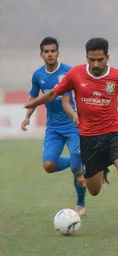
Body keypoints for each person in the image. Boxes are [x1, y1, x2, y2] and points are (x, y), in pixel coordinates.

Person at [24, 37, 118, 235]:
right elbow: (54, 93)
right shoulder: (75, 74)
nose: (96, 64)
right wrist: (33, 104)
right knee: (94, 190)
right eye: (92, 60)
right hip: (89, 138)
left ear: (107, 57)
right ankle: (101, 167)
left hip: (114, 133)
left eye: (100, 60)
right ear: (86, 58)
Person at [21, 37, 86, 216]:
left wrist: (80, 115)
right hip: (53, 128)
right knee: (49, 166)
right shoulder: (38, 75)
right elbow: (34, 97)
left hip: (72, 124)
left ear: (58, 52)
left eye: (53, 51)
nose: (50, 54)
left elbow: (79, 94)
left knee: (77, 172)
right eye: (46, 51)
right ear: (41, 54)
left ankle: (80, 204)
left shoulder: (69, 72)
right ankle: (77, 161)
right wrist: (27, 117)